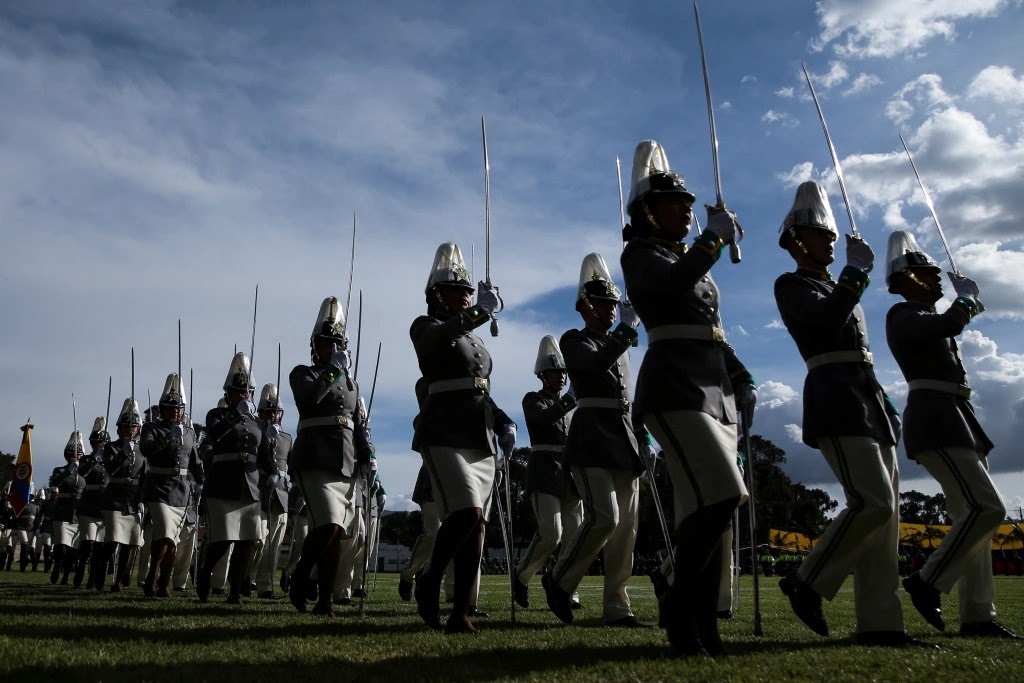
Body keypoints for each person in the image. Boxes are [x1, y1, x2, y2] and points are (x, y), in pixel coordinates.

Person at [773, 181, 931, 648]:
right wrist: (855, 276)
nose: (832, 241)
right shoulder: (793, 284)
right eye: (822, 234)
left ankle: (881, 622)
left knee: (887, 519)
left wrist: (887, 404)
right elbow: (825, 321)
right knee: (873, 501)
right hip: (834, 395)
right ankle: (807, 580)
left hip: (866, 398)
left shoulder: (834, 283)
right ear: (798, 239)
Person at [619, 139, 753, 654]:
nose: (688, 210)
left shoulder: (692, 260)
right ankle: (677, 605)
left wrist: (742, 377)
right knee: (722, 492)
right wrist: (712, 243)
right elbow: (672, 284)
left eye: (689, 203)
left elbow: (714, 330)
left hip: (714, 388)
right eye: (677, 203)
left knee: (716, 511)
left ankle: (704, 624)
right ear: (648, 212)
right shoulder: (640, 255)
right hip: (673, 385)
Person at [884, 231, 1020, 640]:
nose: (938, 279)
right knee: (987, 507)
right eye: (929, 273)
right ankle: (927, 581)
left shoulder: (925, 315)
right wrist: (965, 301)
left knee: (973, 519)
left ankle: (978, 614)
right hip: (937, 417)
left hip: (958, 415)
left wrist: (966, 303)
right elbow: (950, 323)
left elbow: (949, 322)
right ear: (908, 279)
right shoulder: (902, 314)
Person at [410, 242, 514, 634]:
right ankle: (431, 578)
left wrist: (504, 422)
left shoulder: (475, 341)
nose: (468, 296)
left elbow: (479, 389)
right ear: (439, 294)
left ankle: (461, 612)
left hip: (479, 433)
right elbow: (437, 343)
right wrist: (477, 313)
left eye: (470, 291)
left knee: (477, 527)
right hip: (443, 429)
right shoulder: (425, 326)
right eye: (460, 290)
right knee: (466, 512)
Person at [543, 252, 647, 629]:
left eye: (613, 305)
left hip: (624, 439)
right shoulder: (574, 340)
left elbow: (629, 397)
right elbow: (592, 363)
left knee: (625, 532)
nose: (611, 311)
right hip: (591, 438)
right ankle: (559, 579)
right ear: (586, 307)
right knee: (604, 517)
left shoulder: (623, 347)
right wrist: (624, 333)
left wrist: (643, 435)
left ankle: (617, 607)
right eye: (603, 304)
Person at [287, 297, 374, 618]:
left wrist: (367, 454)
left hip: (345, 461)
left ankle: (324, 601)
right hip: (314, 457)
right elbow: (309, 401)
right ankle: (300, 575)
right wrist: (333, 371)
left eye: (338, 342)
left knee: (337, 532)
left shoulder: (352, 384)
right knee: (328, 524)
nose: (333, 347)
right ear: (316, 345)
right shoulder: (303, 373)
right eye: (327, 342)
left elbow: (358, 424)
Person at [196, 352, 275, 605]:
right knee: (225, 537)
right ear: (228, 393)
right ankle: (206, 570)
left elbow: (264, 454)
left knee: (249, 540)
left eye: (248, 392)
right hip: (223, 482)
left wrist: (273, 472)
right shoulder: (216, 415)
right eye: (239, 391)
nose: (244, 395)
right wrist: (234, 415)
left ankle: (234, 592)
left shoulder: (256, 423)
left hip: (250, 485)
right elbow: (215, 437)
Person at [515, 335, 582, 610]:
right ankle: (521, 576)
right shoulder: (533, 399)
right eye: (556, 372)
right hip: (544, 472)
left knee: (575, 536)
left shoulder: (570, 407)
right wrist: (568, 401)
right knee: (551, 534)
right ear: (543, 375)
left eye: (564, 372)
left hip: (570, 475)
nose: (562, 377)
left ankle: (566, 589)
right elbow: (542, 418)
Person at [139, 373, 204, 597]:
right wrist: (166, 438)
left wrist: (201, 480)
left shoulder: (189, 433)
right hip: (158, 487)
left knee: (173, 540)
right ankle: (152, 575)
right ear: (162, 408)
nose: (174, 411)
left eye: (178, 408)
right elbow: (146, 451)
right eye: (169, 407)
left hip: (181, 491)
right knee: (166, 532)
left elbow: (195, 461)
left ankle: (163, 582)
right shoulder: (151, 429)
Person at [94, 398, 147, 592]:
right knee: (114, 540)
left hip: (133, 500)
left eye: (134, 427)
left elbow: (145, 474)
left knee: (131, 543)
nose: (131, 430)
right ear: (120, 428)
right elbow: (111, 468)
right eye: (127, 426)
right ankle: (99, 572)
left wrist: (143, 498)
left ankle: (118, 581)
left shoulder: (142, 450)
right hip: (115, 498)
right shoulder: (111, 447)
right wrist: (123, 453)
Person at [253, 383, 293, 599]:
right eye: (268, 411)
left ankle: (265, 585)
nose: (272, 416)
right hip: (259, 491)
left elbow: (292, 464)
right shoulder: (256, 432)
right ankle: (245, 579)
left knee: (274, 545)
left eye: (276, 412)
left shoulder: (287, 437)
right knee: (257, 540)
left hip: (281, 495)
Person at [76, 417, 109, 588]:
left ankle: (94, 579)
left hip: (105, 504)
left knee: (100, 546)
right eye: (96, 442)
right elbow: (82, 473)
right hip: (89, 503)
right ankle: (81, 567)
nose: (99, 445)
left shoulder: (110, 459)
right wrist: (94, 459)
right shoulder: (86, 459)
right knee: (88, 542)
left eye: (102, 442)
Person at [49, 431, 86, 585]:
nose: (74, 457)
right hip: (63, 511)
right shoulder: (60, 470)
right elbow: (55, 482)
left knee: (74, 550)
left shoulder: (85, 471)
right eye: (71, 454)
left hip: (78, 513)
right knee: (62, 546)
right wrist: (69, 471)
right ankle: (57, 566)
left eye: (77, 454)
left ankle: (65, 577)